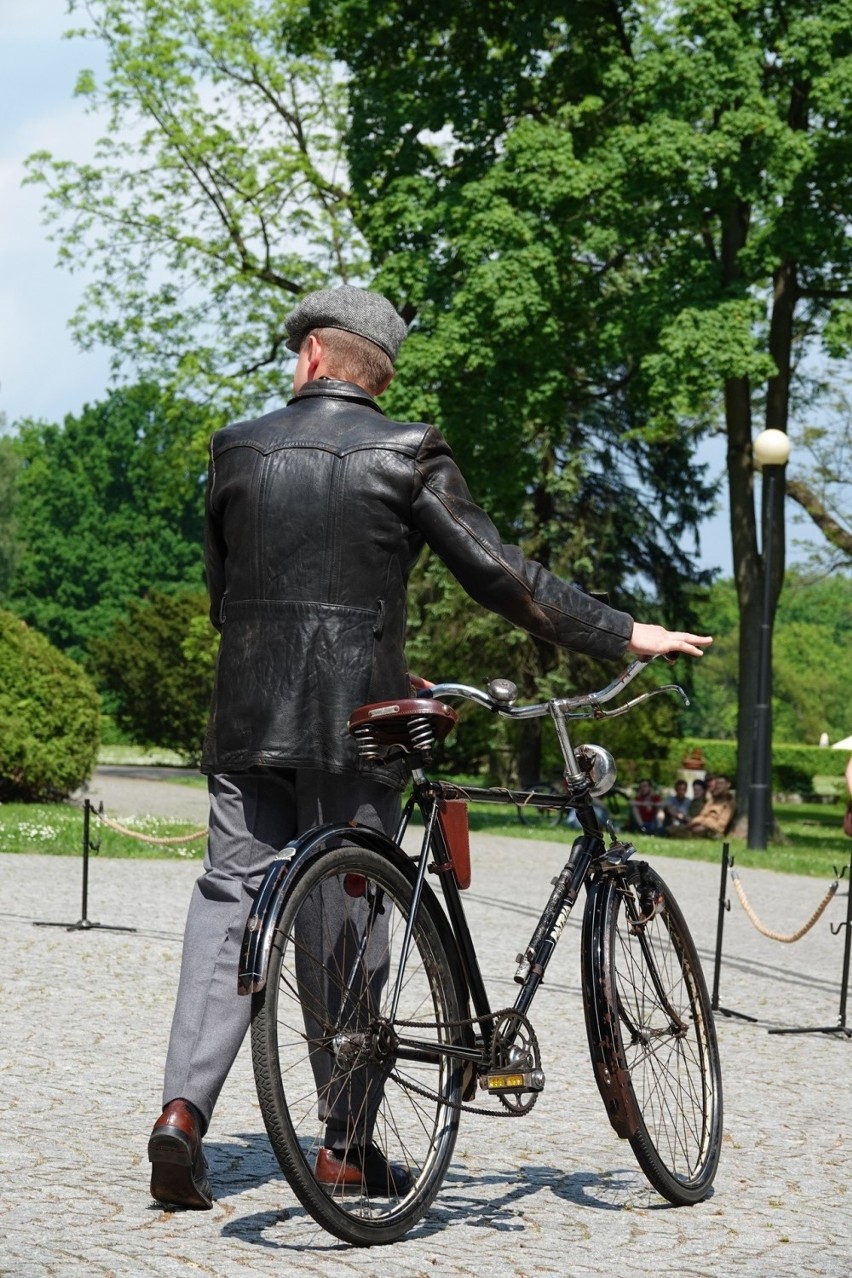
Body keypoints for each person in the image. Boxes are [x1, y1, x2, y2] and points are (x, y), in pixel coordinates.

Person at [147, 284, 713, 1210]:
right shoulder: (409, 451)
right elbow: (501, 576)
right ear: (375, 372)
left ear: (315, 360)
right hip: (358, 728)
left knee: (228, 904)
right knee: (349, 921)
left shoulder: (237, 448)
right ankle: (342, 1144)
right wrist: (622, 632)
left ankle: (181, 1113)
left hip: (247, 723)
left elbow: (222, 595)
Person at [669, 774, 735, 839]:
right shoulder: (712, 800)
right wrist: (693, 823)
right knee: (672, 829)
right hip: (700, 825)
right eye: (717, 784)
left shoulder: (729, 802)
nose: (718, 786)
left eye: (721, 784)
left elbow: (720, 827)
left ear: (728, 785)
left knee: (683, 832)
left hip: (712, 831)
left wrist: (705, 824)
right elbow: (702, 815)